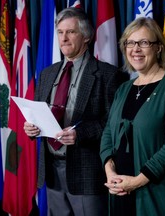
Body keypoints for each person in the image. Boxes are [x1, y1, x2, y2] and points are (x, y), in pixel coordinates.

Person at [24, 7, 126, 216]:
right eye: (60, 32)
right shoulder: (46, 74)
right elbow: (39, 113)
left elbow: (115, 124)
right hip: (51, 170)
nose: (64, 38)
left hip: (86, 173)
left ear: (86, 37)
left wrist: (81, 133)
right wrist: (32, 127)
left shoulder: (108, 75)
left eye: (71, 32)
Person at [100, 17, 165, 216]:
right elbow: (108, 133)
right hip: (119, 192)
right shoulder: (123, 89)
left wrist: (136, 182)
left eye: (144, 43)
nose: (136, 49)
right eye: (130, 43)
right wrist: (110, 172)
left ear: (158, 47)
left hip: (157, 194)